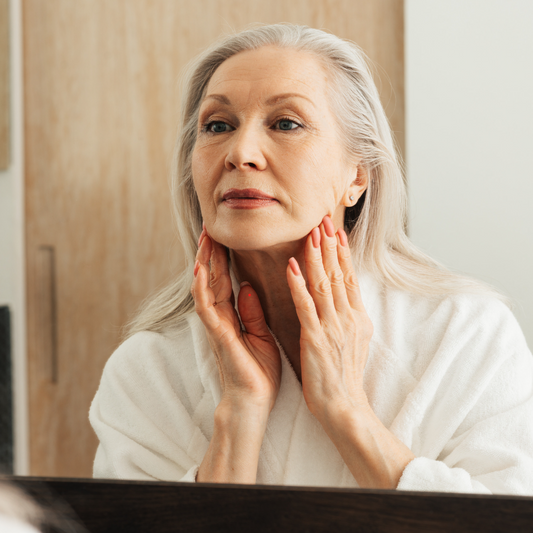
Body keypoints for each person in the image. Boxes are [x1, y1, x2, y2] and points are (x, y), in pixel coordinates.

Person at [89, 24, 533, 494]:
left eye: (286, 123)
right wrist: (239, 412)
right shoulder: (146, 370)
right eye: (217, 126)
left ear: (357, 174)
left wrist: (345, 407)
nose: (241, 153)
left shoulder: (467, 336)